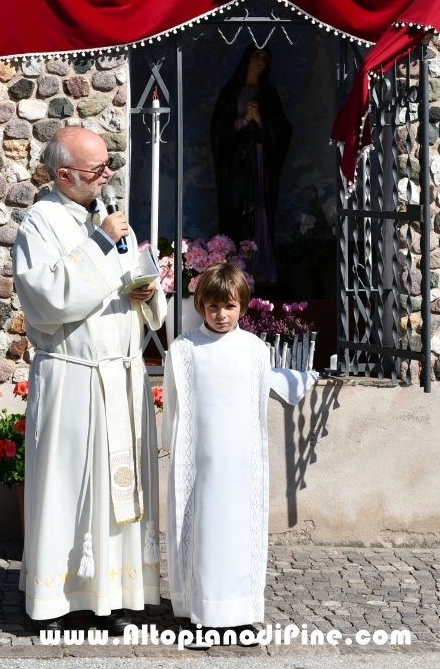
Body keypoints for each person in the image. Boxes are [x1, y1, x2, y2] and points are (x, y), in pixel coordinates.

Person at [12, 126, 166, 631]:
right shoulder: (40, 221)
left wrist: (144, 291)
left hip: (121, 377)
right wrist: (101, 243)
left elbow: (128, 284)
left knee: (120, 491)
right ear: (63, 175)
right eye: (98, 169)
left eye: (107, 166)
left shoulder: (106, 218)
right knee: (67, 489)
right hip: (74, 381)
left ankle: (118, 596)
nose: (108, 176)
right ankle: (55, 602)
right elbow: (48, 298)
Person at [162, 263, 315, 631]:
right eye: (213, 306)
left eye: (229, 307)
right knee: (202, 535)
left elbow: (256, 407)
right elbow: (173, 405)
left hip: (240, 465)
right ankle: (199, 615)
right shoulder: (184, 349)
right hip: (199, 464)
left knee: (238, 537)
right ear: (200, 305)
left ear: (243, 307)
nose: (221, 314)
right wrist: (177, 452)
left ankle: (241, 615)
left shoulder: (254, 349)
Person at [210, 46, 293, 282]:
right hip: (236, 165)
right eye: (257, 55)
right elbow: (219, 131)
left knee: (262, 210)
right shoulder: (231, 92)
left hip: (261, 163)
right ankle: (237, 269)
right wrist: (244, 120)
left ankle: (261, 266)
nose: (261, 60)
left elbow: (284, 130)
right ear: (246, 57)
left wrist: (261, 121)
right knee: (237, 211)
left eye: (265, 57)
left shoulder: (269, 93)